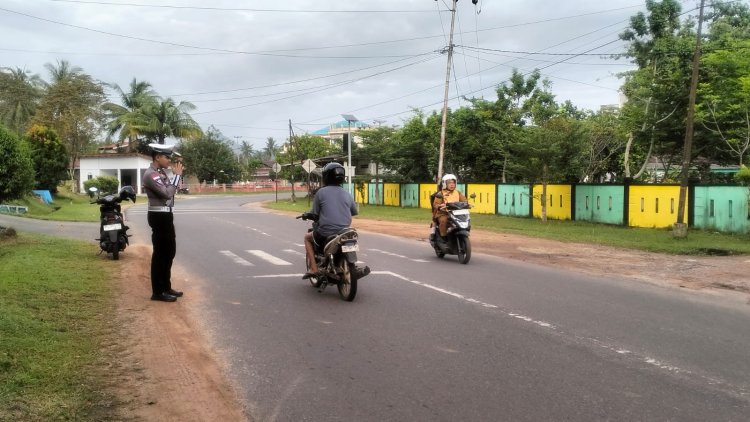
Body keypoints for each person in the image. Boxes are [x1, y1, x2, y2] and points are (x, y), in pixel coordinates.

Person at [143, 143, 185, 302]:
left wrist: (176, 177)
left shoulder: (160, 173)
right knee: (160, 254)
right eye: (167, 157)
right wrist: (176, 177)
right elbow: (167, 193)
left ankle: (166, 287)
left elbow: (173, 189)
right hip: (158, 216)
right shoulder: (151, 175)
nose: (169, 160)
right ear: (157, 157)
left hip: (166, 215)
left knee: (169, 252)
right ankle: (158, 292)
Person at [302, 162, 358, 279]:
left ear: (326, 176)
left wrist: (307, 215)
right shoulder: (348, 194)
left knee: (307, 238)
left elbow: (315, 214)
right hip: (345, 232)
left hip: (326, 233)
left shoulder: (321, 192)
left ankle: (314, 268)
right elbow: (354, 212)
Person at [432, 173, 467, 240]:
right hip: (443, 213)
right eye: (449, 183)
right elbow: (435, 204)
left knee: (466, 220)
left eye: (453, 183)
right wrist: (440, 206)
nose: (452, 184)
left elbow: (464, 200)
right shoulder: (441, 193)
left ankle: (462, 234)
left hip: (456, 213)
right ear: (445, 184)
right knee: (443, 221)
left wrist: (466, 204)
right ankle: (443, 237)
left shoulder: (458, 192)